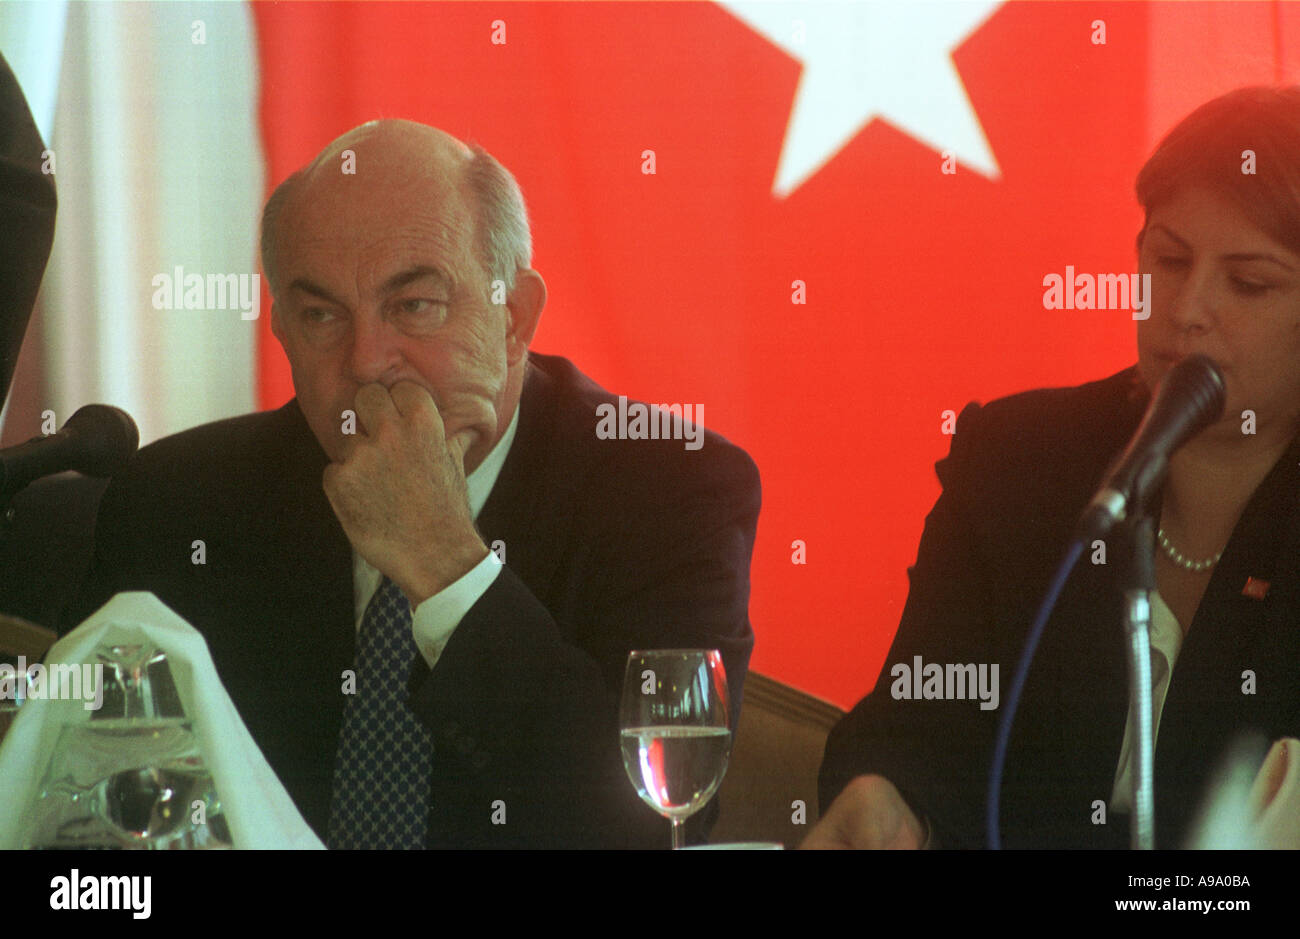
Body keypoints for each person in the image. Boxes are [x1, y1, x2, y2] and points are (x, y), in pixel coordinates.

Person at [64, 120, 760, 849]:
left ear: (514, 318)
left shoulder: (675, 491)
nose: (367, 361)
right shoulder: (178, 500)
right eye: (322, 314)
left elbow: (643, 831)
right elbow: (81, 820)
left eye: (414, 306)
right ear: (283, 333)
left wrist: (445, 564)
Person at [807, 86, 1300, 850]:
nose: (1188, 307)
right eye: (1168, 259)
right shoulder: (1019, 457)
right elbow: (920, 713)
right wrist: (893, 795)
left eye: (1250, 282)